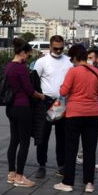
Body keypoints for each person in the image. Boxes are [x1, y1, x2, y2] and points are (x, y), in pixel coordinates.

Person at [54, 45, 98, 193]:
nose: (71, 61)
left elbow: (63, 91)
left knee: (71, 149)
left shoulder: (73, 71)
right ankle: (89, 183)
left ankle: (68, 182)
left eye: (71, 58)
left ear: (75, 57)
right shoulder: (97, 72)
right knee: (90, 150)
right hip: (93, 114)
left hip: (74, 114)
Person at [4, 38, 43, 187]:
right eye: (28, 54)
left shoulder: (8, 66)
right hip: (22, 107)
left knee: (14, 141)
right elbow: (28, 90)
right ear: (22, 53)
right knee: (24, 142)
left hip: (11, 108)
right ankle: (20, 177)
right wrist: (40, 95)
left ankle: (11, 173)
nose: (28, 57)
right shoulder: (21, 68)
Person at [33, 35, 73, 178]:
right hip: (45, 102)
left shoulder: (69, 61)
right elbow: (34, 82)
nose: (58, 50)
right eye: (55, 48)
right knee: (42, 135)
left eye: (61, 48)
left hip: (62, 102)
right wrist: (39, 98)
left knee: (62, 137)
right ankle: (41, 165)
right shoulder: (41, 62)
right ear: (50, 46)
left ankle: (61, 165)